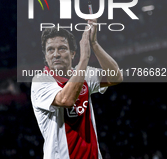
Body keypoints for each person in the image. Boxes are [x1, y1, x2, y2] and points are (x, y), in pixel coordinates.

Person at [31, 19, 123, 159]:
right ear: (45, 56)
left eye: (62, 48)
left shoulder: (83, 74)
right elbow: (66, 99)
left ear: (73, 53)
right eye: (50, 49)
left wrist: (94, 45)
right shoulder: (41, 80)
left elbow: (116, 77)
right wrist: (85, 57)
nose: (56, 54)